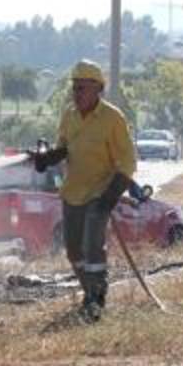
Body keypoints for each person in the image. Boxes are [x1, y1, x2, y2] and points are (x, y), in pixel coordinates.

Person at [31, 59, 137, 322]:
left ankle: (96, 298)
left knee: (92, 245)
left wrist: (108, 199)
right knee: (74, 251)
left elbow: (127, 163)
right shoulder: (69, 115)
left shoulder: (113, 119)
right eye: (74, 88)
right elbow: (64, 147)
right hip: (73, 191)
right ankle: (89, 291)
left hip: (101, 192)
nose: (76, 94)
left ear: (97, 89)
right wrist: (46, 158)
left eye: (82, 88)